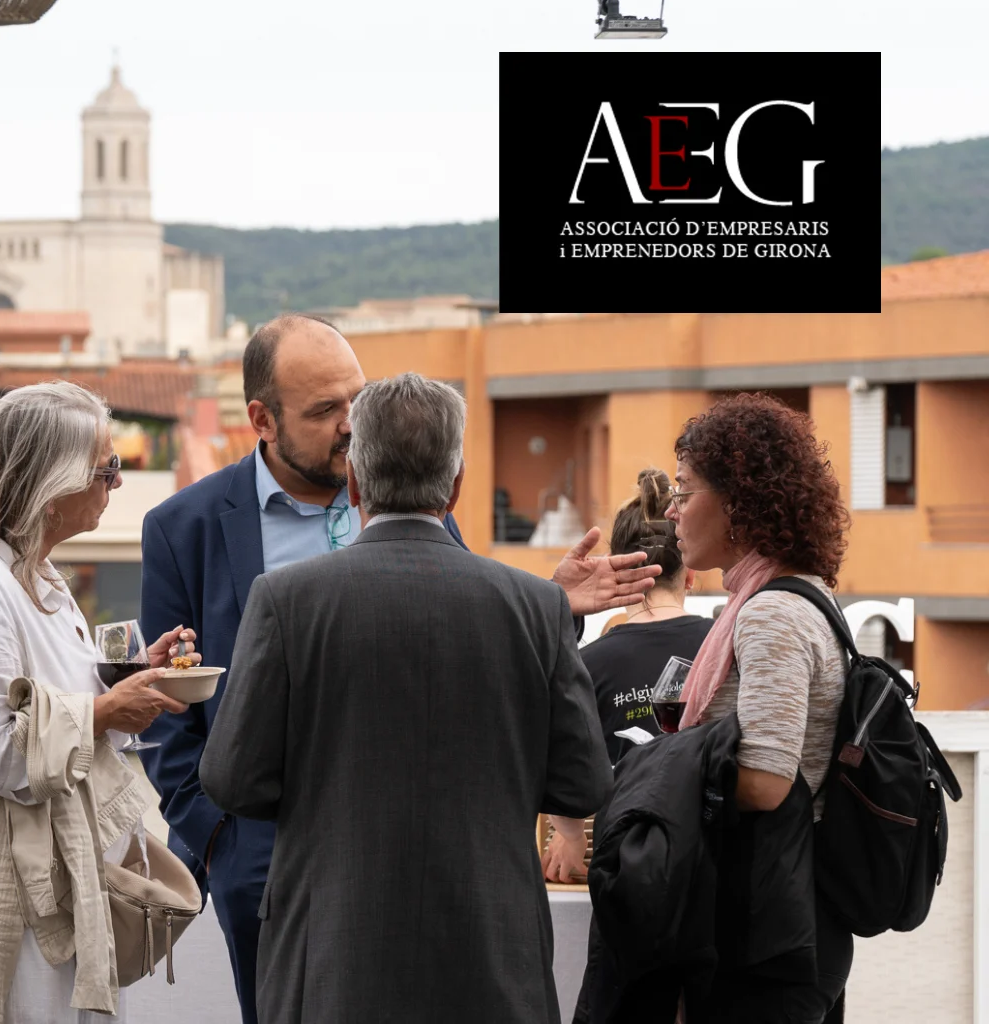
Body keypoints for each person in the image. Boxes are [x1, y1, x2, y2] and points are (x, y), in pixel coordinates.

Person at [140, 315, 661, 1024]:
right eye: (324, 409)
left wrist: (553, 607)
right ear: (261, 418)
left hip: (422, 884)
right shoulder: (184, 527)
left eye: (357, 400)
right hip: (276, 873)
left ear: (360, 484)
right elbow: (167, 700)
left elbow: (456, 633)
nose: (349, 424)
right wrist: (218, 844)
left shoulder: (395, 509)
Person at [0, 381, 196, 1024]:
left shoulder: (40, 579)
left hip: (56, 866)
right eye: (106, 468)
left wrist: (131, 685)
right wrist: (107, 711)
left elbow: (59, 715)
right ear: (51, 479)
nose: (116, 483)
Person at [668, 393, 853, 1020]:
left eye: (683, 490)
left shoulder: (771, 612)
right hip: (789, 919)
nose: (670, 509)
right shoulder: (797, 595)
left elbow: (767, 781)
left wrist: (658, 773)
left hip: (768, 933)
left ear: (737, 504)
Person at [543, 467, 714, 885]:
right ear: (690, 573)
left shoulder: (586, 663)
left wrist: (569, 833)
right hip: (715, 863)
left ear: (617, 569)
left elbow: (557, 764)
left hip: (626, 871)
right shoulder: (725, 645)